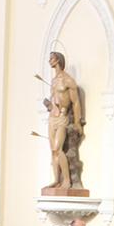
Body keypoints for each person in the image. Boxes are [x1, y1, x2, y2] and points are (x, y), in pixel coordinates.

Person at [43, 51, 83, 189]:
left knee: (58, 148)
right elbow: (54, 98)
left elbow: (76, 102)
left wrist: (78, 122)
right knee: (52, 151)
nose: (50, 61)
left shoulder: (67, 80)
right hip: (52, 118)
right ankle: (56, 180)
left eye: (52, 59)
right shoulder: (54, 81)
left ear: (58, 60)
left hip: (62, 117)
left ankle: (67, 180)